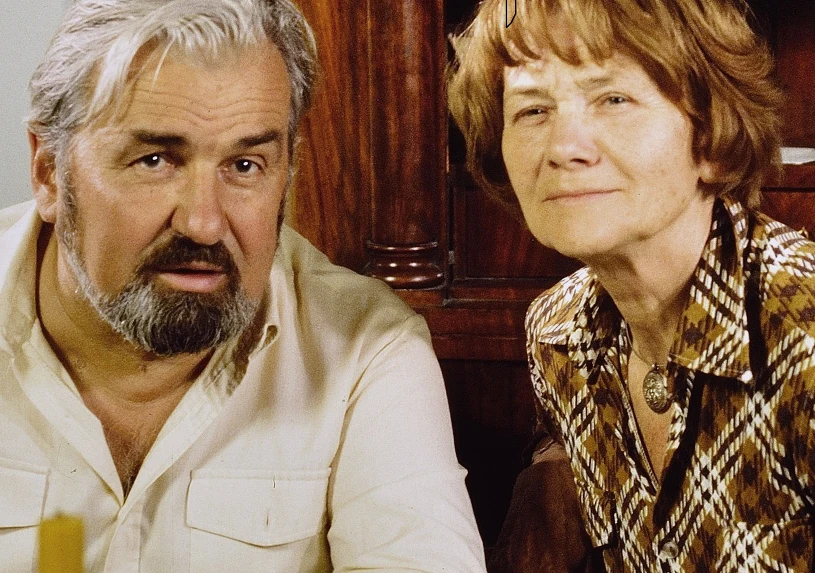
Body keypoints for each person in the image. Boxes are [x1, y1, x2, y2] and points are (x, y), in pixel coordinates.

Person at [0, 0, 488, 571]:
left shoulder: (364, 351)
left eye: (245, 165)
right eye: (154, 160)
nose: (204, 223)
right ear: (49, 173)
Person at [449, 0, 815, 570]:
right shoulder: (556, 334)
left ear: (711, 136)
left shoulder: (804, 335)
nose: (564, 148)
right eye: (533, 110)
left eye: (613, 99)